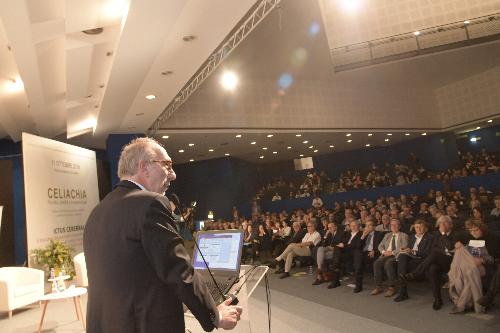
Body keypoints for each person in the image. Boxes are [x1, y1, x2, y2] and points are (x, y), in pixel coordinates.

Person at [83, 138, 242, 333]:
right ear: (144, 167)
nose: (173, 175)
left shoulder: (98, 211)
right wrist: (216, 315)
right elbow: (180, 271)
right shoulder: (151, 203)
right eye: (167, 165)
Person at [402, 215, 460, 310]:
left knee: (435, 253)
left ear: (451, 225)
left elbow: (449, 246)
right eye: (441, 223)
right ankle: (438, 299)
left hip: (451, 261)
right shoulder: (436, 235)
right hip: (438, 260)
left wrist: (443, 234)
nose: (443, 225)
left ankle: (415, 274)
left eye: (445, 222)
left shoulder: (457, 234)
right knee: (432, 268)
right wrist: (443, 250)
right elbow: (433, 248)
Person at [394, 219, 433, 302]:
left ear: (425, 228)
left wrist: (413, 251)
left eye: (420, 227)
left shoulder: (429, 237)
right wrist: (405, 249)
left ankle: (402, 290)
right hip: (411, 256)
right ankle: (402, 289)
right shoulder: (412, 236)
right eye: (416, 227)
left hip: (421, 259)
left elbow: (427, 253)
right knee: (402, 256)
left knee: (402, 264)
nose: (418, 229)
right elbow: (409, 247)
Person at [371, 219, 409, 297]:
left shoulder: (404, 235)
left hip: (397, 255)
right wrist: (384, 252)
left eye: (396, 225)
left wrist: (392, 252)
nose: (394, 226)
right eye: (392, 225)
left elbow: (404, 248)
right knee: (377, 263)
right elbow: (380, 245)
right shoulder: (387, 235)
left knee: (389, 263)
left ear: (399, 226)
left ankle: (392, 287)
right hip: (385, 254)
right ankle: (378, 286)